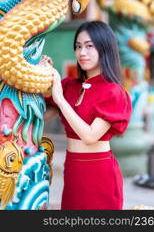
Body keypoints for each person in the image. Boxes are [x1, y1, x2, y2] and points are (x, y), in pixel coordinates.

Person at [44, 20, 132, 210]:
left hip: (99, 173)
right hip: (73, 169)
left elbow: (90, 136)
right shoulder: (70, 86)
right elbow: (40, 118)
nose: (82, 52)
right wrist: (41, 76)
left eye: (89, 46)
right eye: (78, 46)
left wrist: (59, 99)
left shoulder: (113, 91)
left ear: (104, 48)